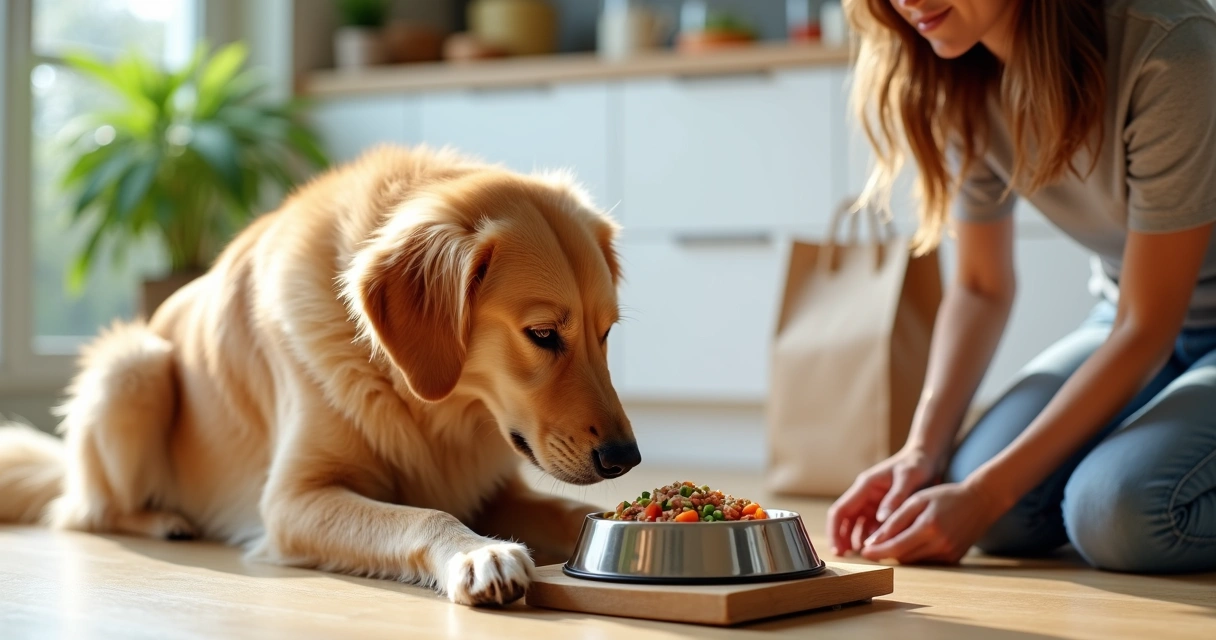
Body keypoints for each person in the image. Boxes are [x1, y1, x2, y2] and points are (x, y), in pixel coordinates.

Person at [826, 0, 1216, 574]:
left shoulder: (1169, 47)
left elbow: (1148, 326)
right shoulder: (962, 72)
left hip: (1147, 323)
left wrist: (987, 493)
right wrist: (921, 451)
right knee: (986, 503)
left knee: (1117, 514)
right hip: (1128, 317)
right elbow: (980, 287)